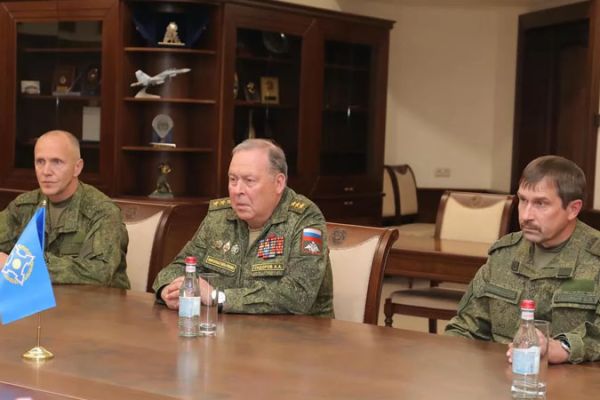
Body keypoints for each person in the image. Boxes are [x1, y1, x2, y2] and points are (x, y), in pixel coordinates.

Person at [445, 155, 600, 364]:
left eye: (541, 204)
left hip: (575, 378)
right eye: (523, 200)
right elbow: (466, 327)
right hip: (500, 374)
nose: (526, 215)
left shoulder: (594, 259)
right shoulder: (504, 254)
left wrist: (564, 348)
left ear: (573, 209)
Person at [153, 138, 333, 316]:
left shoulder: (306, 219)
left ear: (278, 183)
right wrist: (169, 291)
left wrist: (217, 297)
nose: (237, 190)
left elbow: (298, 294)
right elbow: (179, 267)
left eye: (249, 181)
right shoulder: (219, 217)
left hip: (296, 332)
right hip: (227, 329)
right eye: (233, 180)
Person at [0, 130, 130, 289]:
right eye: (40, 161)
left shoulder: (102, 211)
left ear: (77, 168)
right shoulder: (24, 206)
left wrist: (21, 265)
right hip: (38, 299)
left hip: (96, 301)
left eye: (57, 162)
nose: (46, 171)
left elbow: (100, 271)